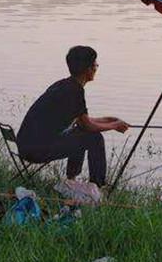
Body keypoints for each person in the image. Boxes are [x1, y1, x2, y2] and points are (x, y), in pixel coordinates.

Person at [16, 45, 129, 188]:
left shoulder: (65, 85)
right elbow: (86, 125)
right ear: (88, 69)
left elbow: (82, 120)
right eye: (95, 64)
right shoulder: (74, 91)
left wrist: (109, 120)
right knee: (94, 138)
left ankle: (71, 180)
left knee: (82, 133)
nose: (96, 67)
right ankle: (98, 187)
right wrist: (114, 126)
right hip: (35, 150)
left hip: (26, 145)